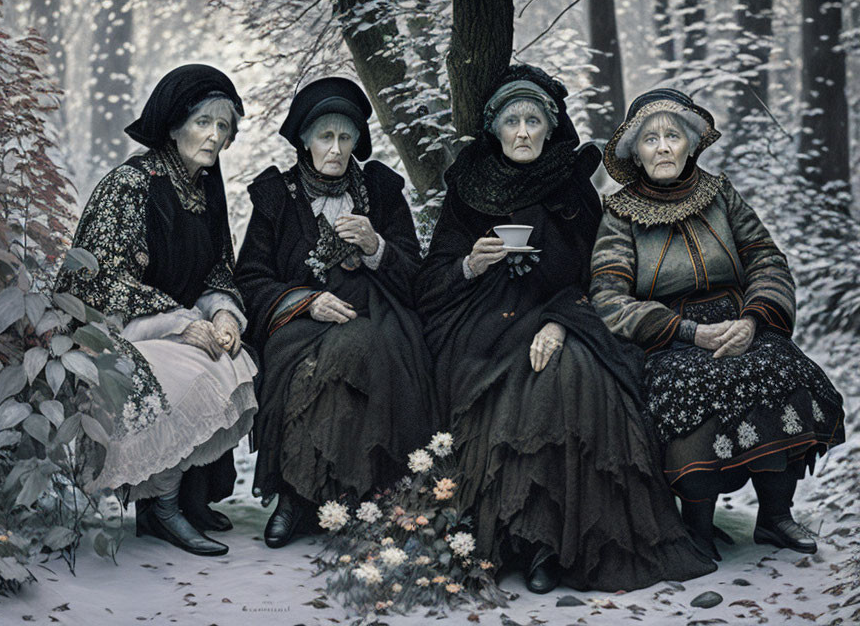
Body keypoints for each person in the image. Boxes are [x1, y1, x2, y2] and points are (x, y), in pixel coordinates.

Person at [416, 65, 716, 594]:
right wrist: (470, 263)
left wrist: (558, 322)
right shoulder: (468, 186)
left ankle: (552, 548)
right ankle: (516, 539)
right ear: (495, 129)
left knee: (573, 373)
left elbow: (600, 274)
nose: (524, 132)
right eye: (512, 121)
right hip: (480, 323)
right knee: (507, 386)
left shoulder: (574, 186)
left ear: (551, 127)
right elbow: (430, 284)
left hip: (563, 312)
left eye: (535, 120)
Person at [590, 88, 845, 560]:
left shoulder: (720, 192)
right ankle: (697, 529)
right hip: (668, 339)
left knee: (780, 367)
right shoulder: (619, 214)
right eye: (650, 139)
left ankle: (774, 516)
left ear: (690, 142)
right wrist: (686, 332)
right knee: (693, 384)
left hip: (738, 325)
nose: (663, 147)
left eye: (672, 136)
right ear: (635, 153)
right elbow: (608, 297)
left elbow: (767, 260)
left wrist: (752, 320)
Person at [54, 64, 258, 556]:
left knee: (231, 358)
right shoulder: (130, 184)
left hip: (176, 325)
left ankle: (188, 497)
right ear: (172, 124)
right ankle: (159, 508)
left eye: (223, 126)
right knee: (191, 375)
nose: (214, 136)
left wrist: (223, 314)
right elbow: (98, 282)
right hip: (109, 333)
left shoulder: (205, 187)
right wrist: (181, 322)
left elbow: (217, 268)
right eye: (203, 122)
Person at [235, 77, 436, 548]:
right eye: (325, 136)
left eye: (346, 137)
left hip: (379, 317)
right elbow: (251, 279)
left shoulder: (382, 193)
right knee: (319, 363)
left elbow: (417, 280)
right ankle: (299, 493)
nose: (336, 148)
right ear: (304, 140)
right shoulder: (276, 198)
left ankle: (336, 496)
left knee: (366, 348)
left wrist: (376, 246)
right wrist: (307, 301)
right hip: (301, 326)